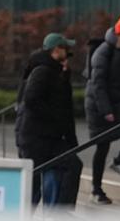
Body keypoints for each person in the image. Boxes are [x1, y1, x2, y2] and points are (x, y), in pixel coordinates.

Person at [16, 32, 80, 209]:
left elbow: (65, 108)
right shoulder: (42, 71)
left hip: (48, 138)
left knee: (71, 165)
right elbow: (31, 100)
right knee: (34, 185)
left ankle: (59, 212)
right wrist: (53, 117)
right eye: (66, 50)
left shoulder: (56, 72)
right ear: (56, 50)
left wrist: (71, 140)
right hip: (36, 138)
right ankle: (24, 220)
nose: (68, 54)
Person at [84, 16, 120, 204]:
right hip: (100, 105)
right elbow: (98, 84)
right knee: (102, 145)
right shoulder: (103, 51)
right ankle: (96, 188)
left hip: (117, 103)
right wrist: (106, 110)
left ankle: (119, 161)